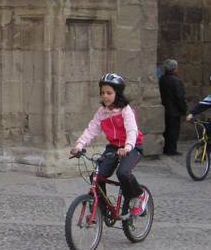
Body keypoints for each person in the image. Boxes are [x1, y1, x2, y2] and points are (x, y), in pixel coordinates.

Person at [71, 73, 148, 217]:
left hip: (133, 146)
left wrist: (128, 147)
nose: (105, 96)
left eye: (109, 93)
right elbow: (91, 129)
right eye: (102, 93)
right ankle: (101, 209)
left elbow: (132, 130)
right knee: (97, 175)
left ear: (117, 93)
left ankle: (138, 195)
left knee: (123, 173)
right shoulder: (102, 112)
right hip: (114, 147)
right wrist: (79, 145)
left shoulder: (126, 110)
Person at [159, 59, 187, 155]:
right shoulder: (176, 81)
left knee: (167, 130)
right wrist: (184, 109)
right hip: (174, 110)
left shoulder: (162, 79)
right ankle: (171, 150)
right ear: (175, 69)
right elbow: (179, 97)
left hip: (165, 108)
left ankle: (166, 148)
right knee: (173, 131)